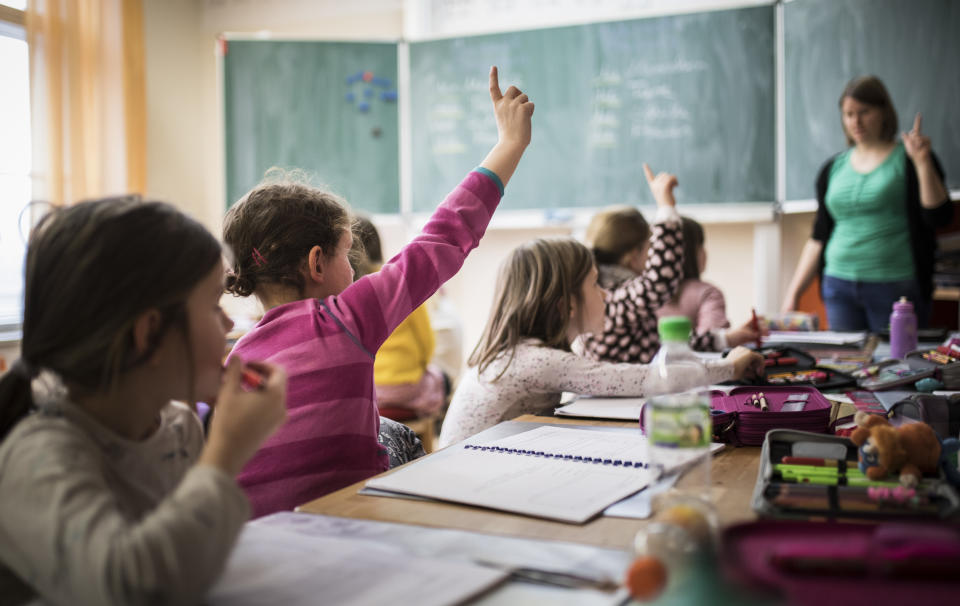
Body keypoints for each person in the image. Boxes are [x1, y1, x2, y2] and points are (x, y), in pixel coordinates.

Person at [222, 66, 534, 517]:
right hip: (346, 525)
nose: (354, 272)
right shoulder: (345, 317)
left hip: (257, 536)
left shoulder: (239, 357)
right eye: (347, 256)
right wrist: (509, 145)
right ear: (315, 263)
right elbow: (444, 238)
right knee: (397, 438)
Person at [0, 198, 287, 606]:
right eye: (212, 306)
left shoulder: (179, 430)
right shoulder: (39, 457)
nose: (228, 326)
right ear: (149, 333)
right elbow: (128, 589)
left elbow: (187, 566)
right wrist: (225, 457)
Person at [438, 237, 762, 447]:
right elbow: (646, 378)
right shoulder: (535, 360)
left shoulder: (522, 354)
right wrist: (730, 367)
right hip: (468, 482)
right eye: (595, 284)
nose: (606, 294)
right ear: (567, 304)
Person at [782, 75, 953, 331]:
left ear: (884, 112)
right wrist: (793, 293)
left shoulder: (908, 160)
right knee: (847, 366)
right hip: (838, 285)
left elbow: (938, 216)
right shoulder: (833, 168)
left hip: (896, 287)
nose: (856, 121)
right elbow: (819, 235)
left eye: (864, 112)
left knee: (899, 366)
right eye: (848, 114)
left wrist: (921, 162)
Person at [580, 165, 760, 365]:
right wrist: (666, 207)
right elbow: (659, 282)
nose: (653, 253)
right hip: (623, 396)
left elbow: (659, 345)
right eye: (650, 246)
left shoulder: (618, 294)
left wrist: (724, 339)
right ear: (633, 256)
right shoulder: (610, 297)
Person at [352, 216, 448, 418]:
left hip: (368, 391)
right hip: (405, 386)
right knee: (443, 380)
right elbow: (426, 342)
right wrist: (421, 367)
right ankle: (432, 432)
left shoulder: (344, 295)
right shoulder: (397, 281)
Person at [656, 216, 732, 333]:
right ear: (691, 252)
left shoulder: (645, 294)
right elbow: (713, 337)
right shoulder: (707, 293)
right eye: (701, 245)